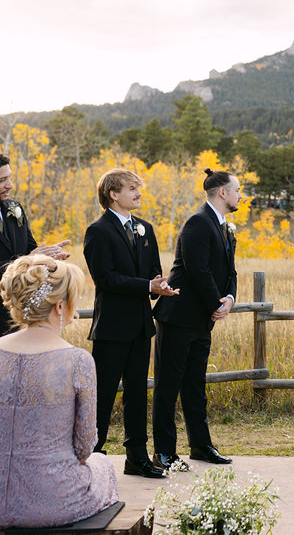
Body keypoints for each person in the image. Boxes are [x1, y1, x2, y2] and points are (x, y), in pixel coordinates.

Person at [0, 255, 119, 528]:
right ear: (60, 306)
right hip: (52, 501)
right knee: (102, 465)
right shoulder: (77, 361)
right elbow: (84, 446)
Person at [83, 168, 178, 479]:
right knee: (103, 394)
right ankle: (89, 458)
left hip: (140, 326)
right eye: (132, 188)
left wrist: (158, 286)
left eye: (139, 188)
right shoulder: (98, 231)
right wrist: (146, 286)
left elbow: (153, 271)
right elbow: (106, 279)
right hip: (111, 328)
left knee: (137, 393)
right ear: (113, 194)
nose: (139, 194)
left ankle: (136, 457)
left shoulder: (145, 229)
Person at [151, 168, 239, 471]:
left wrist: (229, 300)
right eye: (237, 190)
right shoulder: (198, 223)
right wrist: (217, 302)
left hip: (203, 319)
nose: (241, 196)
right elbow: (197, 269)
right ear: (222, 193)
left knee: (195, 386)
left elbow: (231, 272)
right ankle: (163, 453)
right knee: (168, 386)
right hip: (177, 316)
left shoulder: (225, 227)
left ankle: (201, 446)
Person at [0, 153, 71, 334]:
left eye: (9, 177)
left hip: (17, 316)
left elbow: (30, 248)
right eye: (2, 180)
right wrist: (24, 262)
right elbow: (25, 257)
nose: (10, 185)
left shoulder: (13, 208)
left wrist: (46, 257)